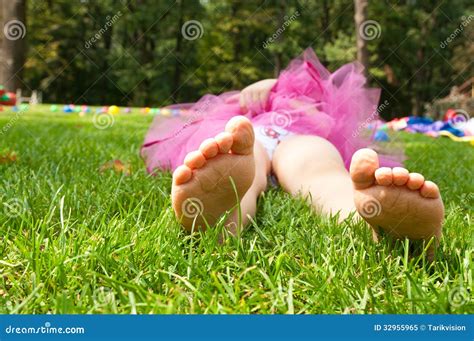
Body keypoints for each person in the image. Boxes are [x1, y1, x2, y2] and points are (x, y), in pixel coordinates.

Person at [141, 49, 444, 257]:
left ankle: (376, 222)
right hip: (253, 137)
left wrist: (302, 104)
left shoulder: (320, 110)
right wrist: (264, 87)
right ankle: (223, 218)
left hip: (300, 140)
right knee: (243, 163)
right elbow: (238, 102)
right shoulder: (256, 104)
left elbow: (328, 120)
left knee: (321, 174)